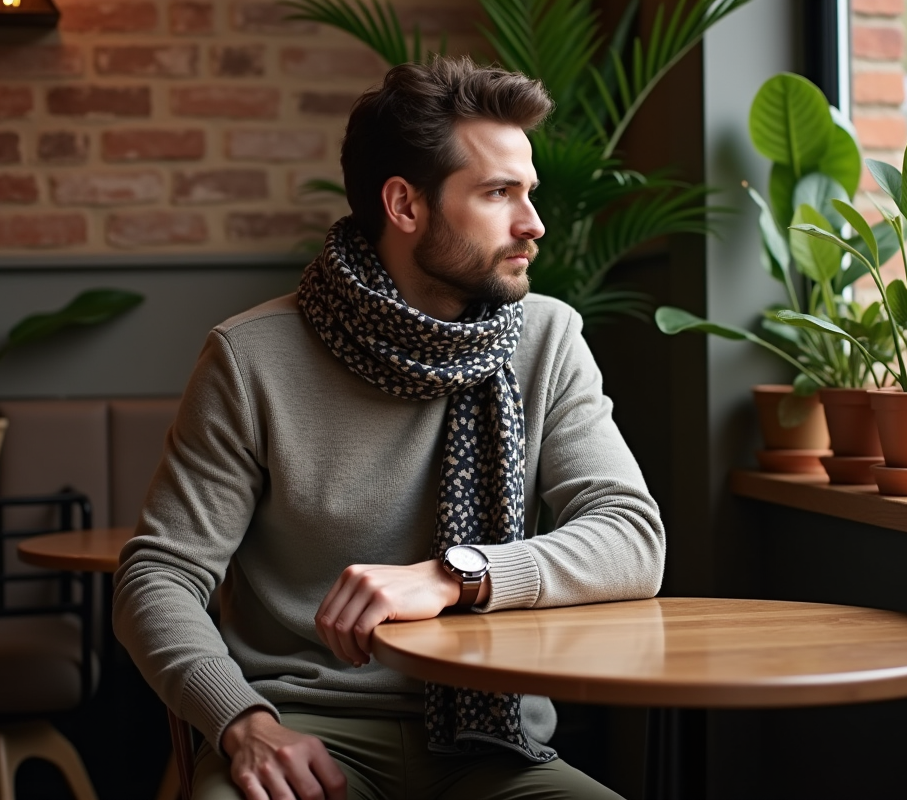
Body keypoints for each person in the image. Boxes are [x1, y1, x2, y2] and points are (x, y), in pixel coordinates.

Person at [113, 55, 665, 800]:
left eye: (526, 193)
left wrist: (453, 575)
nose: (533, 223)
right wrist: (242, 720)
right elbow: (158, 575)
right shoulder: (251, 358)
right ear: (405, 205)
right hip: (306, 731)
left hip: (496, 745)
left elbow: (632, 537)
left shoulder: (547, 338)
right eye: (499, 193)